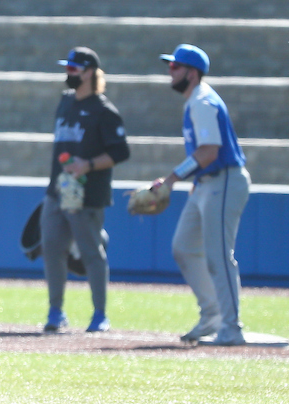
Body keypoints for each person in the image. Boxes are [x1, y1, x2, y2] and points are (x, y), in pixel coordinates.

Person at [150, 44, 250, 346]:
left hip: (224, 180)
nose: (170, 72)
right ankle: (212, 315)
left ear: (191, 74)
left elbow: (209, 151)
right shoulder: (194, 100)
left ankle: (231, 327)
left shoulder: (203, 101)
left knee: (219, 256)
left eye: (175, 67)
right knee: (183, 247)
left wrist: (172, 179)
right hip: (207, 183)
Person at [40, 46, 130, 333]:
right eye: (67, 68)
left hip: (88, 195)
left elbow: (120, 152)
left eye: (73, 69)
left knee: (91, 253)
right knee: (52, 248)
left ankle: (100, 314)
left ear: (89, 72)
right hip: (58, 191)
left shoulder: (104, 111)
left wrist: (88, 164)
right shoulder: (65, 102)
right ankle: (56, 311)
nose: (68, 73)